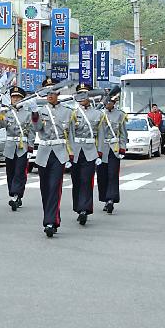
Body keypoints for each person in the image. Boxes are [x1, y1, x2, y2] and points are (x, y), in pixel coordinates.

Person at [31, 77, 71, 238]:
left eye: (52, 92)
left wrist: (71, 155)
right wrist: (34, 114)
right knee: (45, 188)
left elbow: (72, 135)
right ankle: (52, 217)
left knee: (55, 187)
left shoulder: (68, 111)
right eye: (46, 92)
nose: (49, 95)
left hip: (60, 152)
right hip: (44, 152)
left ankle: (50, 221)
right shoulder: (40, 111)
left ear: (58, 93)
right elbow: (37, 128)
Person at [69, 85, 101, 226]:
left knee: (86, 180)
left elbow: (101, 134)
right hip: (75, 151)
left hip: (89, 151)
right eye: (80, 95)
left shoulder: (98, 114)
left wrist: (99, 153)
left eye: (85, 95)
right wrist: (68, 152)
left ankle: (84, 209)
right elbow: (68, 134)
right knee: (76, 181)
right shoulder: (72, 113)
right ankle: (78, 207)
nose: (82, 98)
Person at [1, 86, 33, 211]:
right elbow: (2, 125)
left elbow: (31, 131)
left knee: (20, 171)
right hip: (9, 146)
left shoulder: (27, 114)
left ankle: (16, 194)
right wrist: (0, 114)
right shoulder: (7, 112)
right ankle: (13, 193)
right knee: (10, 171)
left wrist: (30, 146)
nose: (15, 99)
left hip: (22, 146)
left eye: (18, 97)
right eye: (14, 97)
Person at [97, 93, 127, 214]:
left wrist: (122, 147)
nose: (108, 104)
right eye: (106, 102)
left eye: (110, 102)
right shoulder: (99, 114)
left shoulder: (120, 115)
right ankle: (105, 198)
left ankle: (111, 199)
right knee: (102, 175)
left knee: (113, 174)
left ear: (114, 103)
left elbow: (123, 133)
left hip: (114, 148)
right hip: (101, 148)